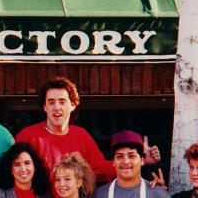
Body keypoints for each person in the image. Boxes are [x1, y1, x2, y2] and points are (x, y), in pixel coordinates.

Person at [16, 76, 159, 187]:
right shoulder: (28, 136)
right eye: (51, 102)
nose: (57, 107)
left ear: (73, 105)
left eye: (62, 101)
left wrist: (142, 160)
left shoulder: (81, 136)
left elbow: (102, 171)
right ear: (44, 107)